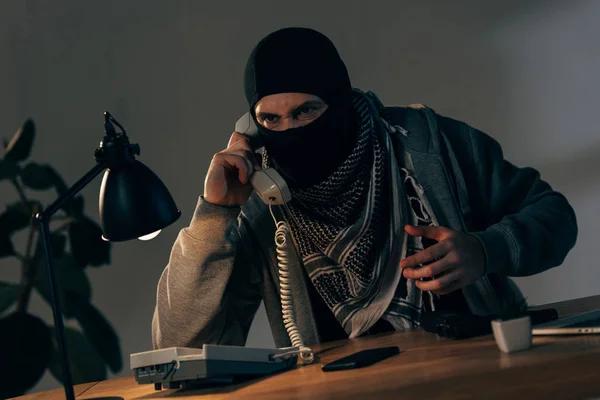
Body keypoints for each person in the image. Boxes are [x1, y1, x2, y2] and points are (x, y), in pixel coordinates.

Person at [151, 27, 577, 350]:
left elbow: (555, 216)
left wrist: (486, 251)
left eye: (307, 111)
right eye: (271, 120)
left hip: (481, 370)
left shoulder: (431, 145)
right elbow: (177, 344)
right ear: (250, 125)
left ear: (338, 101)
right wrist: (214, 215)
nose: (291, 131)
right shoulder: (259, 197)